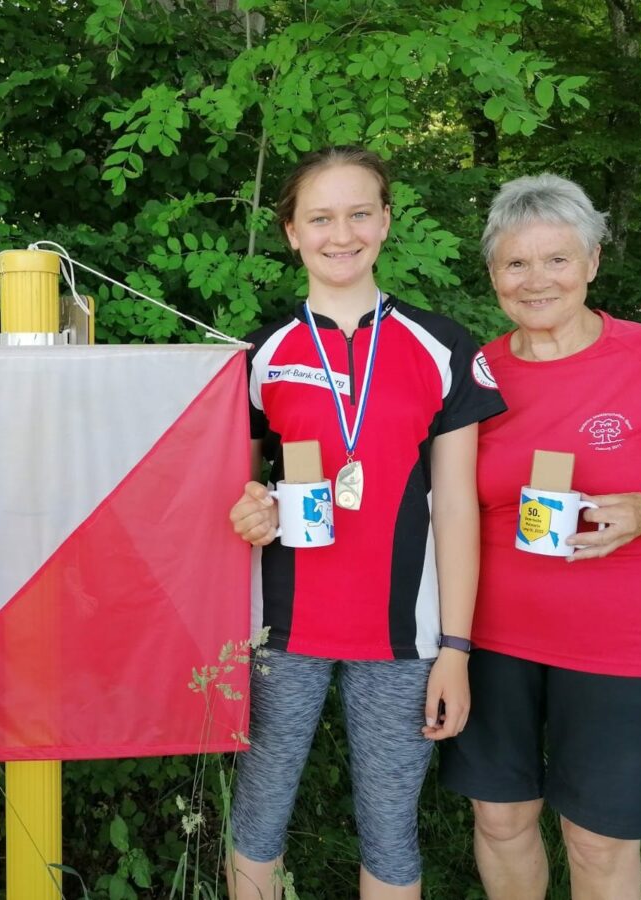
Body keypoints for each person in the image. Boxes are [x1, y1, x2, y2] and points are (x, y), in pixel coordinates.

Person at [226, 146, 506, 899]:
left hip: (403, 633)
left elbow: (456, 507)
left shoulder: (442, 344)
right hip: (278, 631)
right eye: (319, 217)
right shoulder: (258, 354)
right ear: (290, 231)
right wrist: (248, 508)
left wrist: (456, 648)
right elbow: (236, 489)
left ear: (385, 222)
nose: (339, 233)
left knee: (390, 825)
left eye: (358, 213)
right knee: (258, 816)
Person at [439, 174, 641, 900]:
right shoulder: (474, 372)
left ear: (593, 263)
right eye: (516, 263)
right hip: (492, 640)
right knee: (501, 821)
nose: (536, 280)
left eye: (557, 259)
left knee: (598, 839)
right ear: (492, 274)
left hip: (625, 646)